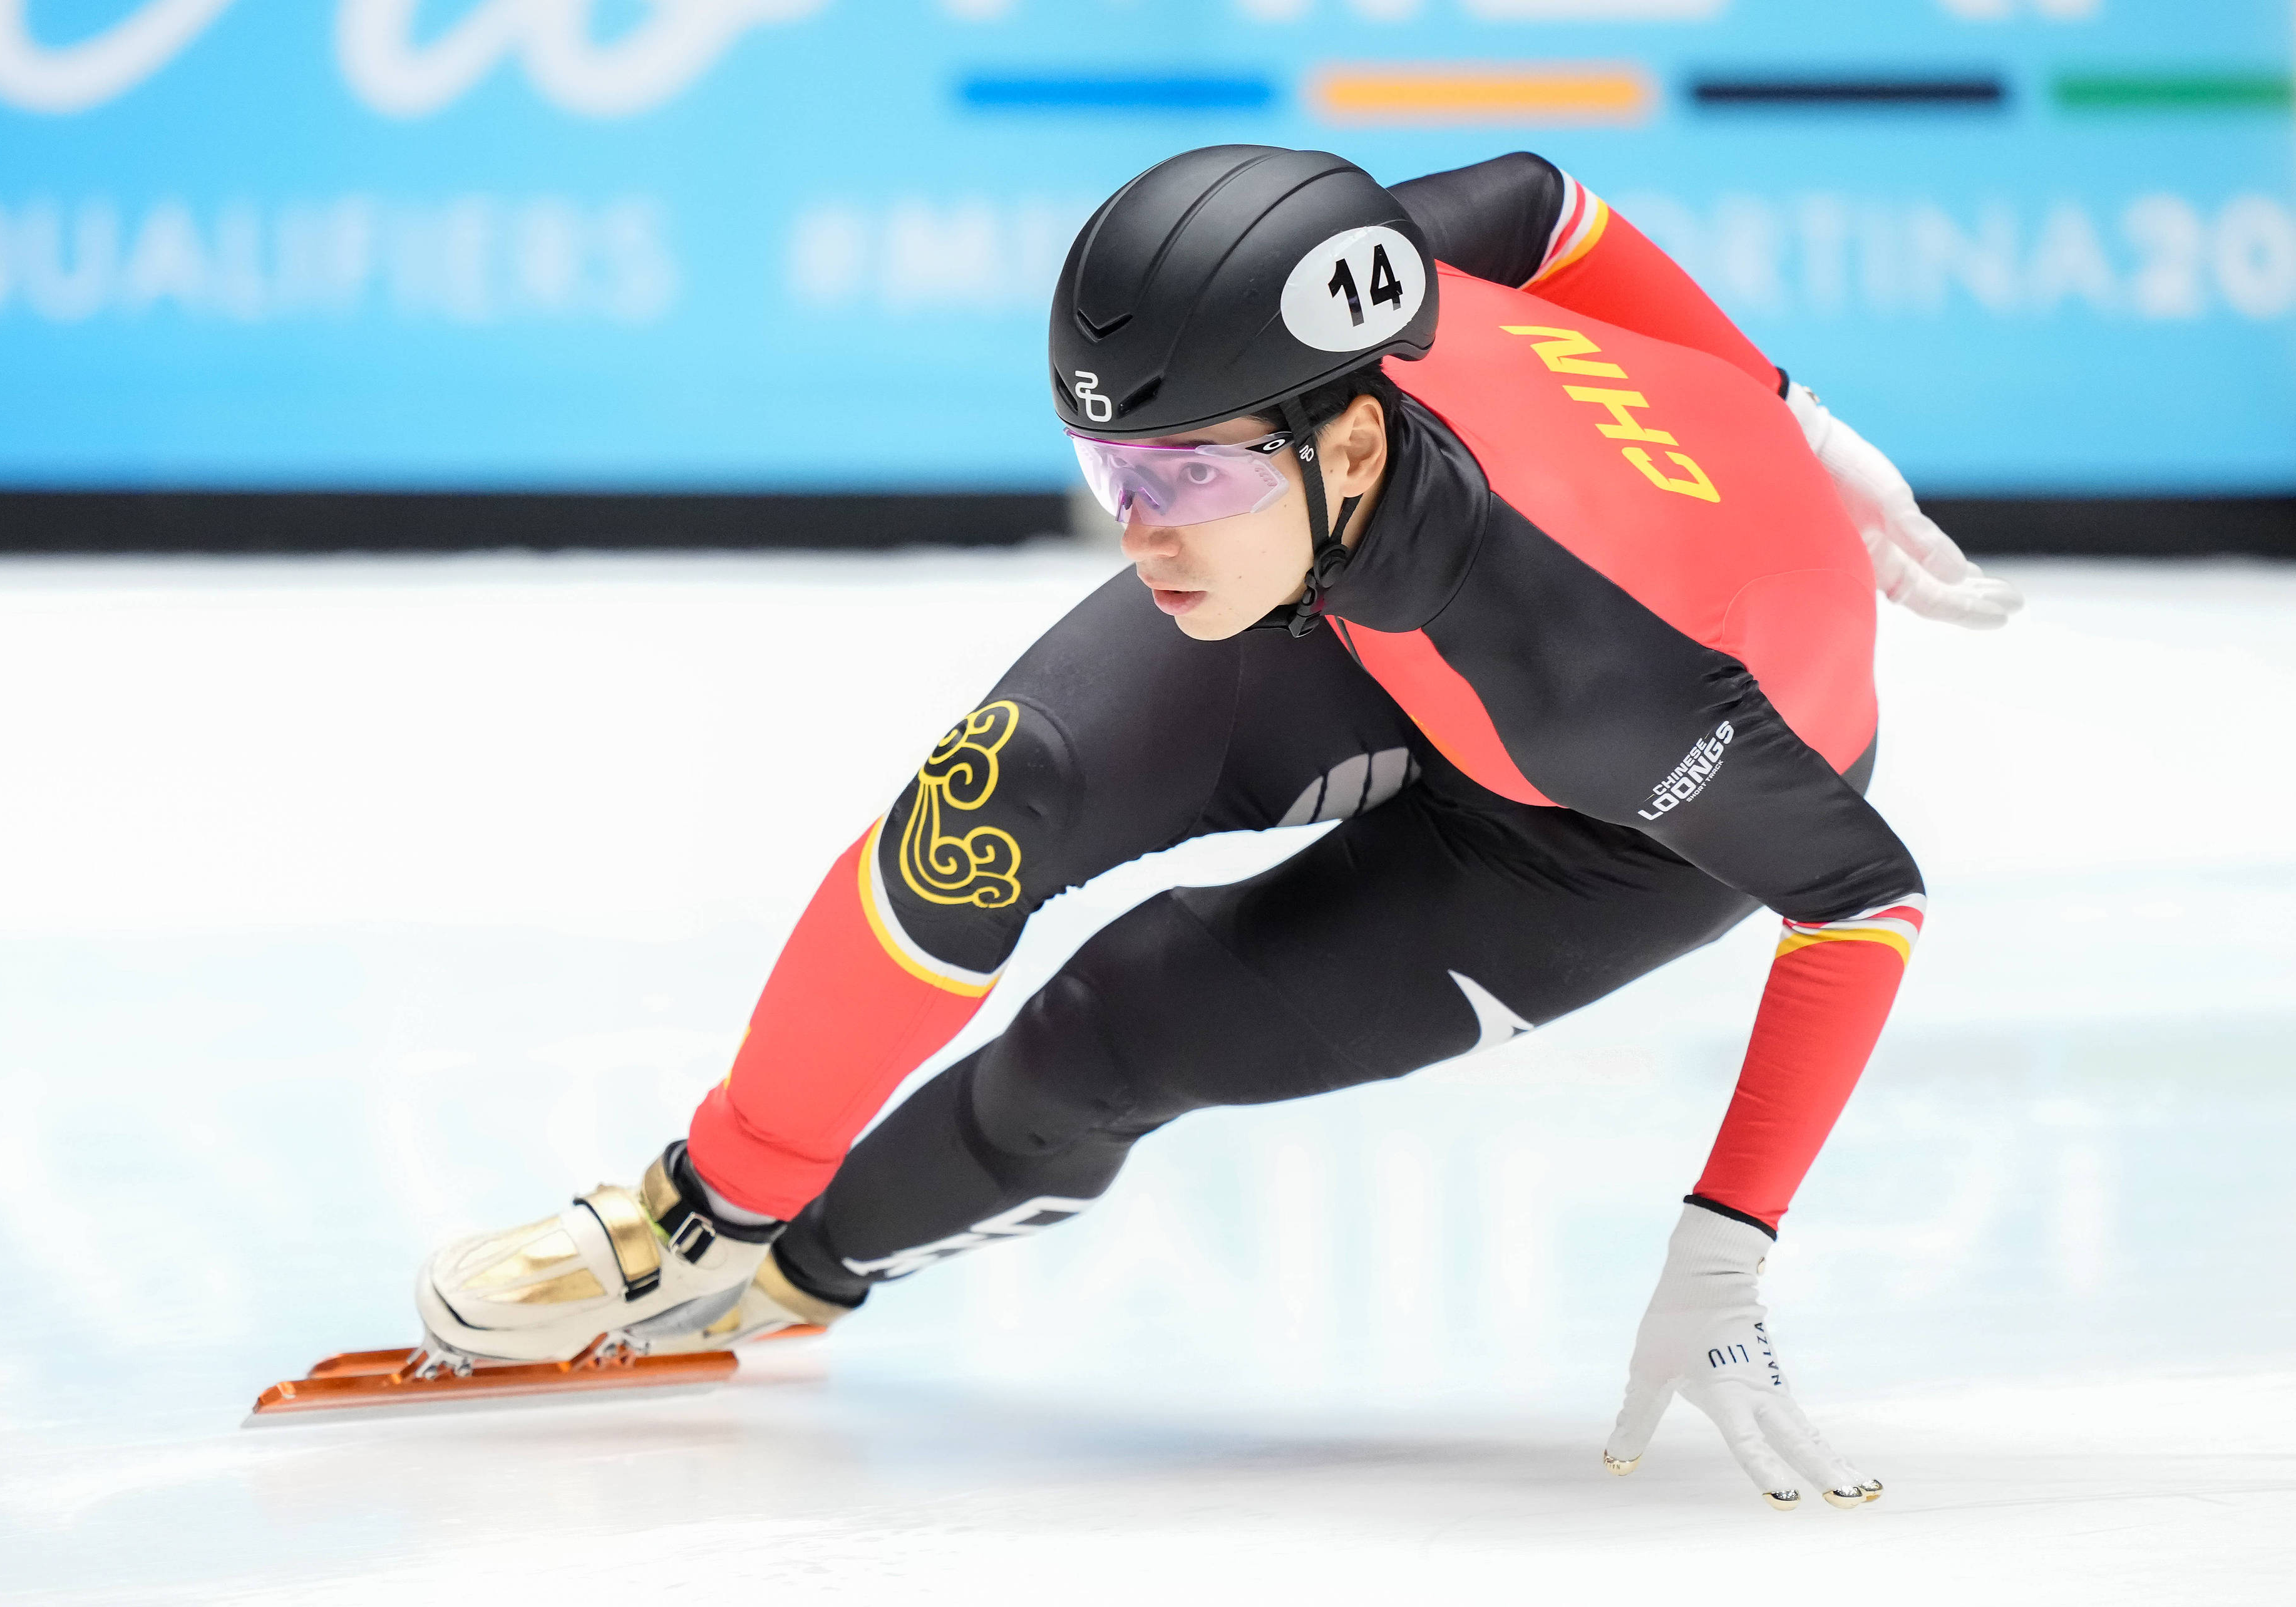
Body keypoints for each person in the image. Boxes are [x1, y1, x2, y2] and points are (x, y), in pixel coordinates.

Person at [412, 147, 2021, 1508]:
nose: (1134, 526)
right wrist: (1787, 403)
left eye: (1178, 477)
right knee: (996, 793)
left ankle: (806, 1266)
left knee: (1118, 1026)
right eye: (1105, 466)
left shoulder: (1588, 675)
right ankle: (706, 1208)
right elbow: (1542, 208)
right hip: (1365, 599)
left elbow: (1864, 895)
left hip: (1602, 826)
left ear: (1352, 434)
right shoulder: (1341, 323)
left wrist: (1726, 1237)